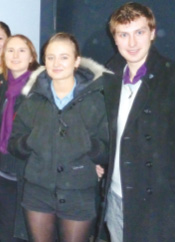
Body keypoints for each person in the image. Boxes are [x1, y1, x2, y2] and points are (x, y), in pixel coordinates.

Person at [9, 32, 109, 242]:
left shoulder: (96, 99)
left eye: (64, 57)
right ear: (44, 61)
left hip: (78, 192)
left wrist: (88, 145)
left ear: (77, 61)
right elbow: (14, 146)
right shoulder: (33, 99)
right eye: (50, 57)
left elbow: (108, 150)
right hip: (38, 191)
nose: (56, 63)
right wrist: (30, 141)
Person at [98, 2, 175, 241]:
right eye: (124, 34)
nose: (132, 43)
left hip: (157, 201)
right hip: (116, 196)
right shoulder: (108, 76)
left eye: (139, 32)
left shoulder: (170, 78)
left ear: (152, 33)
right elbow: (106, 130)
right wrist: (98, 158)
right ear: (115, 39)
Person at [0, 34, 39, 242]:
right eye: (10, 50)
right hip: (3, 171)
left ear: (31, 57)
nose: (15, 55)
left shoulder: (40, 90)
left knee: (26, 233)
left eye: (21, 50)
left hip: (28, 174)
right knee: (5, 231)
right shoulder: (0, 90)